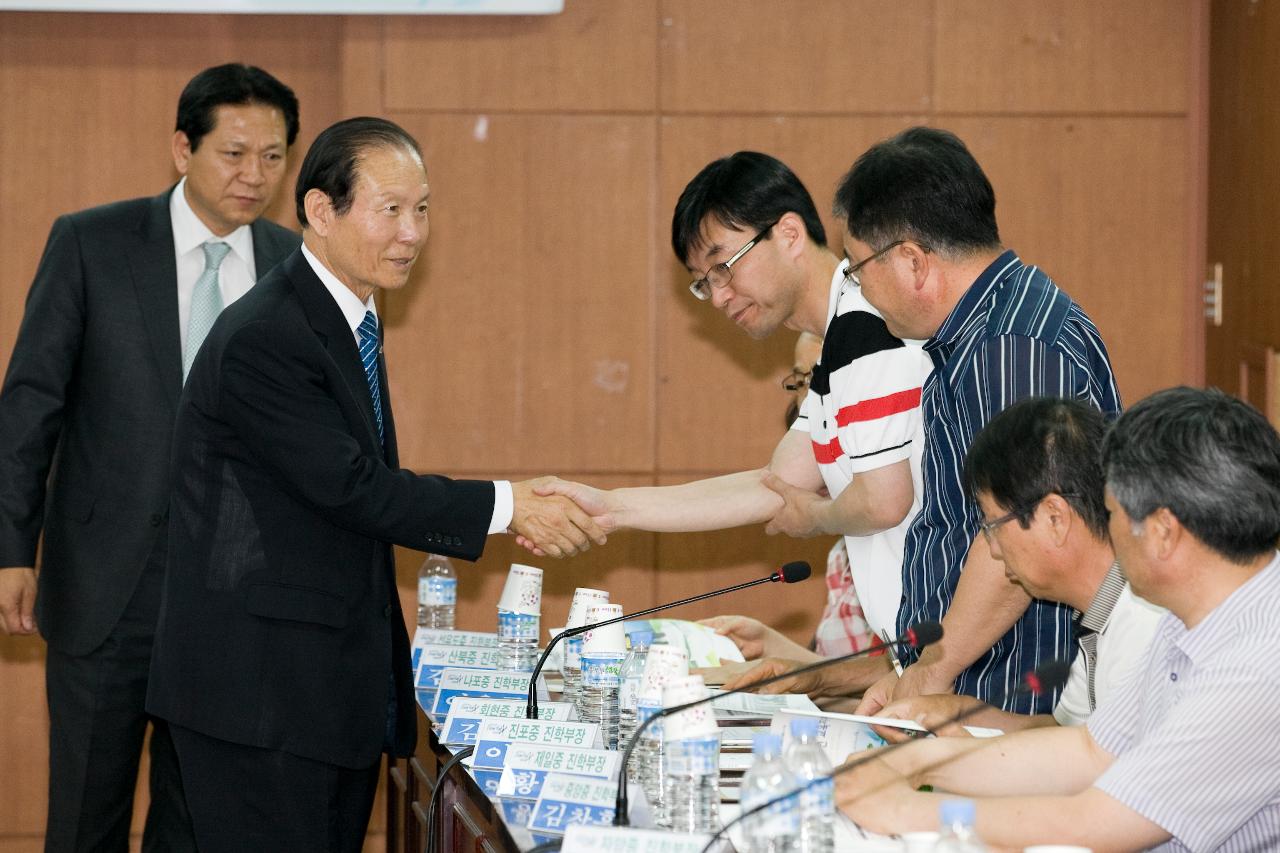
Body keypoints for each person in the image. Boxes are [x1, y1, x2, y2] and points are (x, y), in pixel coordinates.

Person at [146, 116, 605, 852]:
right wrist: (511, 503)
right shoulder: (270, 334)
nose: (412, 232)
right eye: (389, 209)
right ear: (321, 211)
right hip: (260, 701)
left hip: (315, 693)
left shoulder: (345, 316)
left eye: (422, 208)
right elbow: (356, 488)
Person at [0, 63, 301, 852]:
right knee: (83, 819)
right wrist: (9, 551)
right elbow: (29, 406)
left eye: (273, 156)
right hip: (108, 587)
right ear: (182, 148)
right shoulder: (91, 242)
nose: (255, 176)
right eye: (234, 153)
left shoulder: (296, 266)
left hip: (238, 600)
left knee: (201, 821)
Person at [741, 127, 1122, 714]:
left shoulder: (1009, 347)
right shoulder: (973, 334)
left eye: (857, 266)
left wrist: (930, 672)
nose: (855, 286)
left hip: (1014, 686)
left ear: (913, 262)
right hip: (969, 678)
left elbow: (1023, 530)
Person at [531, 152, 931, 678]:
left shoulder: (866, 326)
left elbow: (882, 502)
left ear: (789, 234)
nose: (718, 297)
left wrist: (814, 520)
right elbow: (777, 486)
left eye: (724, 266)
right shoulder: (839, 340)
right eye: (703, 282)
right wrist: (611, 508)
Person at [836, 387, 1280, 851]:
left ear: (1164, 533)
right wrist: (917, 762)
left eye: (1111, 514)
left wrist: (906, 809)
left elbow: (1096, 822)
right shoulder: (1194, 613)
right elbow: (1088, 751)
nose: (1105, 531)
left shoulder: (1256, 665)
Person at [869, 396, 1163, 738]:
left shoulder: (1147, 623)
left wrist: (961, 755)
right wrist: (953, 712)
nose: (992, 549)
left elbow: (1096, 770)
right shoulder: (1104, 610)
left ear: (1055, 518)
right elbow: (1064, 733)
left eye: (993, 524)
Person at [703, 332, 877, 666]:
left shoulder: (913, 530)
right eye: (802, 380)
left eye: (823, 376)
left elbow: (906, 679)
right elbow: (845, 678)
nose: (814, 395)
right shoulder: (843, 553)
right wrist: (772, 650)